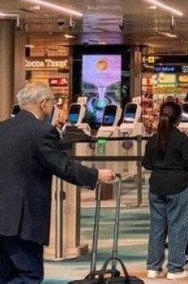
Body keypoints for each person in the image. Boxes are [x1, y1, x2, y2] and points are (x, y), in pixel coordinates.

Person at [0, 83, 115, 283]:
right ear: (44, 103)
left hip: (3, 216)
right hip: (22, 218)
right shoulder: (42, 131)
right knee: (29, 273)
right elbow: (62, 165)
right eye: (53, 102)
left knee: (5, 272)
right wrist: (95, 175)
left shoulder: (3, 128)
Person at [142, 100, 188, 280]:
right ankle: (174, 268)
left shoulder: (153, 140)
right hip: (178, 187)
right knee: (178, 227)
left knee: (157, 227)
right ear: (179, 119)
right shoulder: (181, 139)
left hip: (156, 187)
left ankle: (153, 267)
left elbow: (147, 164)